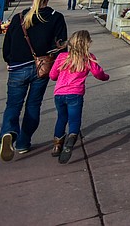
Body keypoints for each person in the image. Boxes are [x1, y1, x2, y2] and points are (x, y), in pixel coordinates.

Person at [0, 0, 67, 160]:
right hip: (41, 68)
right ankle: (23, 142)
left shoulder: (19, 18)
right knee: (33, 105)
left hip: (17, 67)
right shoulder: (56, 18)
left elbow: (8, 43)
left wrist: (9, 60)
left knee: (13, 105)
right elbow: (61, 45)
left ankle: (9, 132)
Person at [49, 29, 109, 163]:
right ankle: (71, 138)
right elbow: (98, 74)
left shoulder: (61, 57)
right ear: (87, 44)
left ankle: (57, 146)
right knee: (74, 120)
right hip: (75, 94)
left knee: (61, 118)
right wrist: (106, 77)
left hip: (59, 94)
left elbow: (52, 76)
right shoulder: (88, 58)